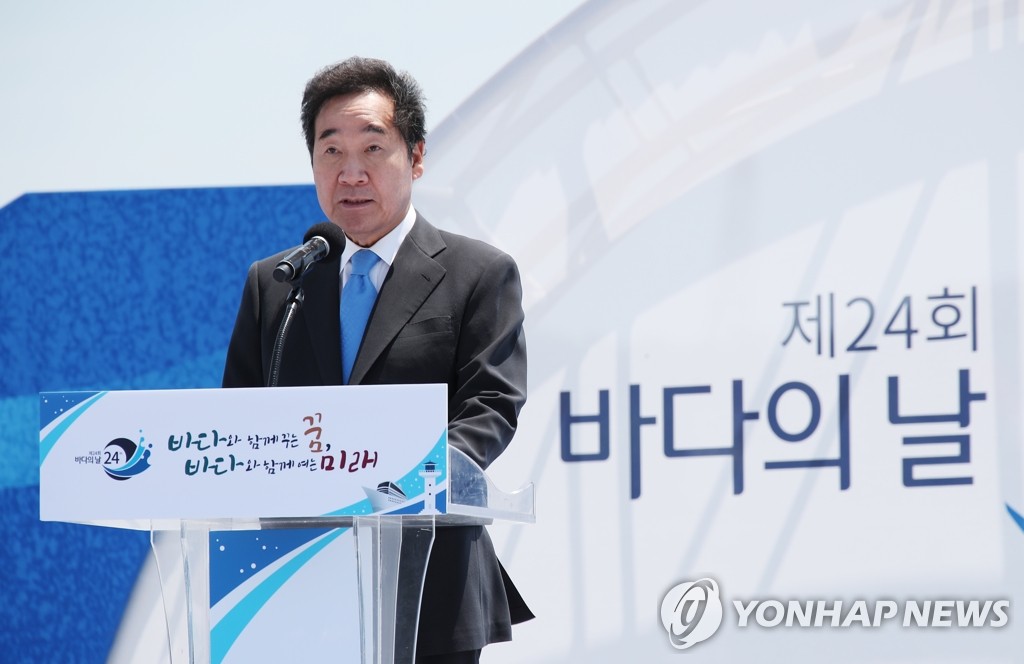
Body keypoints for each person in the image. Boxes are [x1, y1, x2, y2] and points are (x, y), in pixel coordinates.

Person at [222, 56, 532, 663]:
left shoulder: (477, 273)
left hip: (431, 577)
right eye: (331, 151)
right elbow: (240, 421)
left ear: (415, 157)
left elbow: (490, 408)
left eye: (372, 148)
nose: (351, 173)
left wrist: (395, 482)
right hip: (295, 578)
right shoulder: (278, 283)